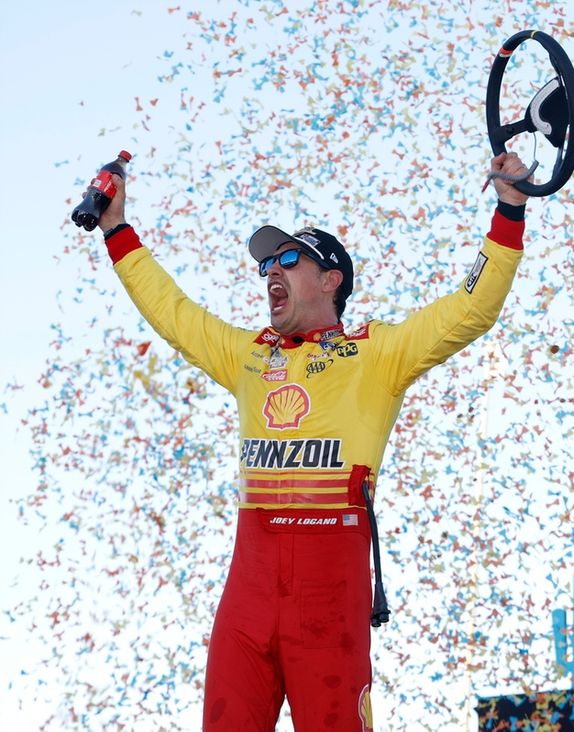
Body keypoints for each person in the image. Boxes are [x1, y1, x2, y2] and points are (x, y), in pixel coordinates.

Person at [96, 152, 533, 731]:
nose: (270, 271)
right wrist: (116, 228)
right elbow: (171, 312)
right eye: (266, 265)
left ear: (331, 279)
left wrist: (509, 211)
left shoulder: (377, 354)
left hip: (329, 606)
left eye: (287, 259)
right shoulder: (249, 356)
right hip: (246, 605)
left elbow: (471, 309)